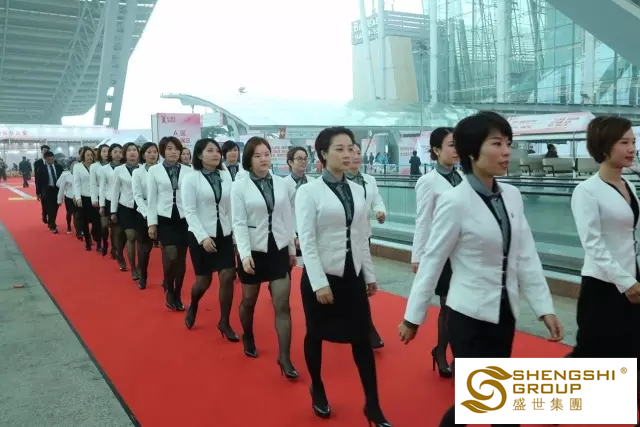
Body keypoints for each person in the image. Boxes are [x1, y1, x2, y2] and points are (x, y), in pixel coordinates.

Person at [398, 112, 563, 427]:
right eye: (497, 144)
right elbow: (433, 261)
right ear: (472, 152)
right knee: (490, 403)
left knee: (485, 403)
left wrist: (544, 308)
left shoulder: (512, 196)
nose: (506, 152)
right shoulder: (455, 201)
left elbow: (525, 255)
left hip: (504, 313)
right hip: (468, 317)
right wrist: (412, 318)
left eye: (508, 144)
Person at [296, 127, 390, 426]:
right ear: (323, 154)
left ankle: (372, 404)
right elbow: (307, 240)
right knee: (316, 334)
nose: (347, 154)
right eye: (339, 149)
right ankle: (317, 386)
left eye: (350, 148)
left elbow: (361, 236)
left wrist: (369, 274)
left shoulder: (358, 189)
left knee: (361, 338)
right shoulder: (308, 192)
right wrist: (319, 283)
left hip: (352, 275)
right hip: (323, 276)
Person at [570, 117, 640, 406]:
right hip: (603, 286)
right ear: (604, 146)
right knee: (589, 353)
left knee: (632, 350)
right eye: (624, 142)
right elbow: (593, 244)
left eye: (633, 141)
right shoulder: (586, 191)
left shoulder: (629, 184)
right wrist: (626, 283)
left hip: (632, 280)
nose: (632, 148)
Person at [230, 136, 298, 378]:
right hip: (253, 250)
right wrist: (244, 254)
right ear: (249, 159)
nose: (263, 159)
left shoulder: (282, 184)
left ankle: (285, 357)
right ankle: (248, 335)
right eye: (258, 155)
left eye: (267, 154)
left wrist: (291, 249)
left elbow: (287, 217)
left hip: (277, 248)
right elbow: (238, 222)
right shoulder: (239, 186)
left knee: (282, 304)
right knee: (249, 300)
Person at [410, 127, 461, 378]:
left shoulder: (463, 178)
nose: (456, 150)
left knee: (462, 307)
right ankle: (441, 351)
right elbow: (423, 220)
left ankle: (454, 353)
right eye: (451, 145)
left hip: (464, 253)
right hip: (443, 253)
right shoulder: (428, 182)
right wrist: (417, 256)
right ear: (437, 150)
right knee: (448, 306)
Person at [182, 138, 238, 341]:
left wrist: (234, 236)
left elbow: (230, 207)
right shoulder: (190, 178)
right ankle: (194, 304)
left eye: (217, 151)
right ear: (199, 154)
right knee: (203, 282)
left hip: (224, 233)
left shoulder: (225, 175)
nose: (216, 154)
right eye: (210, 150)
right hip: (201, 235)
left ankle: (224, 321)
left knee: (227, 276)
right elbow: (189, 211)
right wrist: (203, 237)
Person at [347, 142, 386, 350]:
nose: (355, 155)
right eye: (350, 152)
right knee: (351, 285)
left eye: (358, 152)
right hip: (343, 240)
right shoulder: (338, 182)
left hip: (363, 238)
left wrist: (380, 211)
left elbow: (377, 201)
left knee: (360, 283)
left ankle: (366, 329)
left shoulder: (369, 180)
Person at [147, 136, 192, 310]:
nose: (173, 152)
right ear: (163, 151)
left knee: (181, 260)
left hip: (184, 219)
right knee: (170, 254)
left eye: (176, 149)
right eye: (169, 149)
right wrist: (152, 223)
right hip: (164, 218)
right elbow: (151, 199)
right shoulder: (154, 171)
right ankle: (169, 288)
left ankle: (177, 293)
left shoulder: (188, 171)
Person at [110, 143, 142, 280]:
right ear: (125, 154)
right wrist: (113, 211)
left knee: (141, 239)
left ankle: (140, 266)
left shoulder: (143, 169)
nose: (132, 152)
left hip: (141, 207)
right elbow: (115, 191)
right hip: (125, 207)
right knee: (130, 236)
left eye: (134, 150)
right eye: (129, 150)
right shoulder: (119, 170)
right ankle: (133, 267)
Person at [131, 142, 159, 290]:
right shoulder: (137, 172)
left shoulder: (162, 170)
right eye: (149, 152)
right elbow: (137, 195)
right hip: (144, 213)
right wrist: (148, 214)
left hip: (162, 211)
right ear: (143, 155)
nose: (152, 155)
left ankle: (168, 281)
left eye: (154, 152)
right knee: (144, 249)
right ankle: (143, 276)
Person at [284, 146, 314, 258]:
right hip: (292, 231)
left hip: (310, 232)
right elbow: (283, 213)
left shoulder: (313, 182)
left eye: (305, 158)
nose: (303, 161)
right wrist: (294, 237)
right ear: (290, 162)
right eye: (299, 159)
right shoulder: (283, 184)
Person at [73, 146, 99, 251]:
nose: (90, 157)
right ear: (83, 156)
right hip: (83, 197)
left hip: (95, 197)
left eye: (91, 155)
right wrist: (78, 198)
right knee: (84, 221)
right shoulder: (77, 167)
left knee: (97, 221)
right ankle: (87, 240)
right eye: (87, 155)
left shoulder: (96, 166)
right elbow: (76, 183)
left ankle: (96, 237)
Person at [35, 151, 63, 234]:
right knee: (49, 208)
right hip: (46, 190)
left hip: (57, 190)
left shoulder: (59, 167)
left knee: (55, 208)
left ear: (54, 158)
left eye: (52, 159)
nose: (50, 161)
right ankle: (52, 225)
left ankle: (50, 220)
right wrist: (38, 193)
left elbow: (63, 178)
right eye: (48, 159)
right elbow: (38, 181)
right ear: (45, 159)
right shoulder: (42, 168)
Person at [56, 158, 80, 236]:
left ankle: (79, 230)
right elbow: (60, 186)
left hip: (78, 198)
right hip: (69, 197)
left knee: (78, 214)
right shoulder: (66, 175)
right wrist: (59, 200)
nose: (75, 166)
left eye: (77, 164)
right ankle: (69, 226)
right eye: (73, 164)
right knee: (69, 213)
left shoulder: (81, 174)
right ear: (70, 166)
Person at [34, 145, 50, 224]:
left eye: (46, 150)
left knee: (52, 205)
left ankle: (51, 220)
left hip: (52, 187)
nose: (45, 152)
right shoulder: (37, 163)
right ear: (41, 151)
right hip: (43, 187)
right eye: (44, 150)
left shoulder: (53, 161)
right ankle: (44, 214)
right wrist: (37, 191)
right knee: (44, 204)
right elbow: (37, 177)